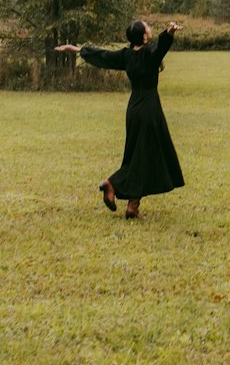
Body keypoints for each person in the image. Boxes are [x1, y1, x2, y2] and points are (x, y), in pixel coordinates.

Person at [55, 20, 184, 219]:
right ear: (143, 36)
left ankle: (133, 206)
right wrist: (169, 32)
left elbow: (103, 56)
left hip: (133, 109)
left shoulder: (126, 55)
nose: (149, 27)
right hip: (149, 109)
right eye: (147, 26)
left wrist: (78, 49)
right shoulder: (150, 54)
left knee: (138, 156)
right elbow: (162, 46)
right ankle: (112, 183)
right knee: (143, 157)